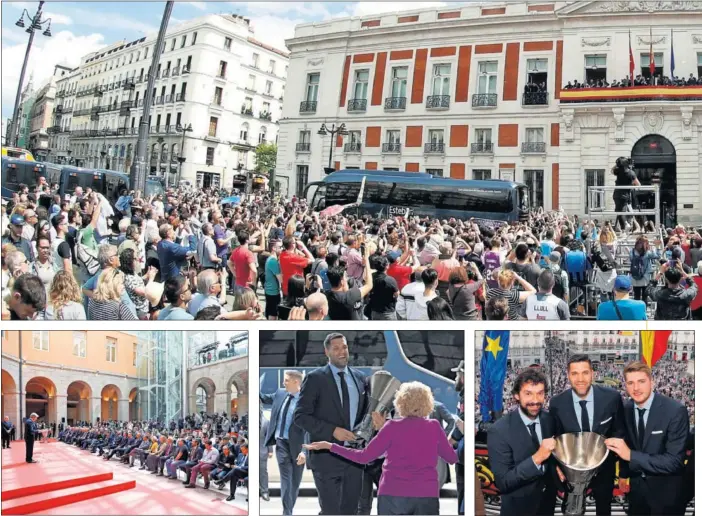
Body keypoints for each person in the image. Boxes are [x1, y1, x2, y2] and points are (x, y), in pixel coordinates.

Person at [305, 382, 461, 516]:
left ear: (401, 402)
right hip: (426, 494)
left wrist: (331, 446)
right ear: (428, 402)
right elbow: (452, 458)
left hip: (393, 494)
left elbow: (363, 457)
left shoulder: (391, 427)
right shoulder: (433, 427)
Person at [294, 333, 369, 516]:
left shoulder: (360, 379)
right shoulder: (315, 379)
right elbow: (300, 416)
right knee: (330, 511)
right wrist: (332, 431)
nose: (342, 352)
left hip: (354, 459)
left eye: (344, 347)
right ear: (326, 352)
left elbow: (365, 415)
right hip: (326, 459)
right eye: (336, 348)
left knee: (351, 511)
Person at [605, 362, 689, 516]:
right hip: (636, 494)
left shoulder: (675, 411)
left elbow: (674, 462)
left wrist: (631, 456)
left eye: (641, 381)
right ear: (625, 385)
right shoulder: (626, 409)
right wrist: (623, 473)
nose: (636, 388)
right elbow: (628, 442)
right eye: (630, 383)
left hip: (666, 496)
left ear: (652, 382)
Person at [549, 355, 625, 516]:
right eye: (575, 373)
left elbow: (619, 432)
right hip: (571, 472)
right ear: (568, 375)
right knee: (573, 511)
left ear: (593, 374)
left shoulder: (612, 398)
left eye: (585, 372)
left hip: (604, 470)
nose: (580, 379)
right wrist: (557, 466)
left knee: (604, 510)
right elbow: (554, 438)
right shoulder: (557, 403)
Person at [487, 369, 557, 516]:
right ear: (516, 395)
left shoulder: (549, 420)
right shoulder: (499, 430)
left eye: (540, 393)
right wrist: (537, 457)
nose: (535, 400)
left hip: (547, 506)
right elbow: (503, 482)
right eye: (528, 393)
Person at [260, 370, 309, 516]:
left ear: (296, 382)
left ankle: (289, 509)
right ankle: (287, 512)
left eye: (286, 380)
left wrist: (305, 451)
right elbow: (263, 398)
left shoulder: (306, 401)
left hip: (298, 447)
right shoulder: (280, 394)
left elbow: (309, 430)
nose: (283, 383)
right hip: (281, 444)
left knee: (294, 482)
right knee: (286, 480)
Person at [326, 245, 373, 320]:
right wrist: (367, 260)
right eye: (345, 277)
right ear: (341, 282)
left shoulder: (327, 295)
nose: (347, 279)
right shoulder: (349, 297)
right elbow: (369, 285)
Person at [611, 157, 640, 232]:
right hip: (625, 195)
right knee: (621, 211)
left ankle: (624, 227)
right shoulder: (631, 173)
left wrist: (617, 164)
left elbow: (612, 170)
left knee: (619, 211)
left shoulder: (618, 171)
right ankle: (625, 225)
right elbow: (638, 185)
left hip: (616, 194)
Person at [259, 410, 272, 502]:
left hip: (262, 451)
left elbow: (269, 436)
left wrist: (270, 450)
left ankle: (264, 491)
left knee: (263, 472)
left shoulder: (266, 421)